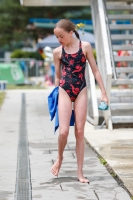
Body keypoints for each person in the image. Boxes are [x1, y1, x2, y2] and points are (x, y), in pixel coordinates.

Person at [51, 19, 108, 183]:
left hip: (81, 89)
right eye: (57, 37)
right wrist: (56, 93)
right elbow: (57, 75)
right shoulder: (57, 52)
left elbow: (95, 71)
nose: (59, 40)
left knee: (80, 132)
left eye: (61, 36)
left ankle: (80, 172)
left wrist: (103, 93)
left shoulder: (85, 47)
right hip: (64, 90)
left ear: (70, 32)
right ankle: (59, 158)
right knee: (63, 132)